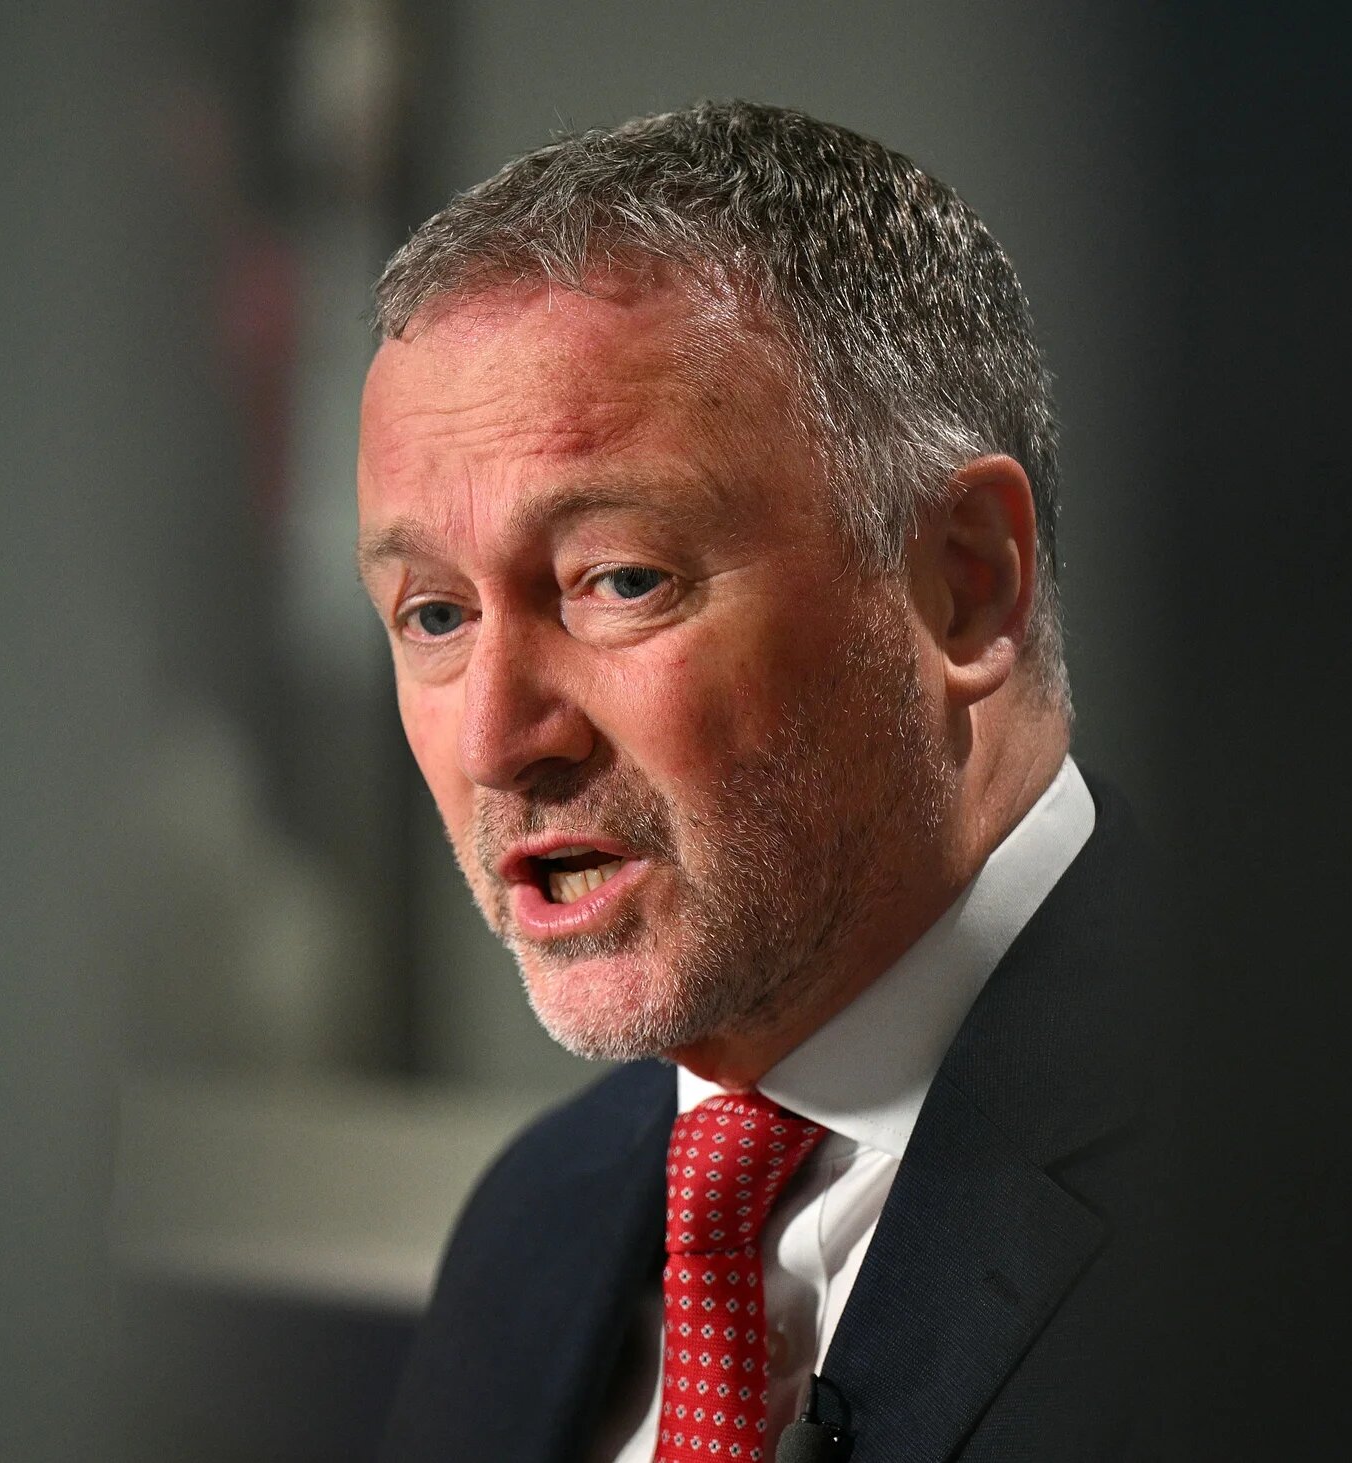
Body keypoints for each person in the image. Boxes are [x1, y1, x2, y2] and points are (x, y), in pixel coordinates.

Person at [357, 101, 1169, 1463]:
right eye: (434, 615)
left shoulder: (1309, 1216)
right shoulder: (535, 1223)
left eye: (618, 581)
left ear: (966, 586)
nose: (499, 737)